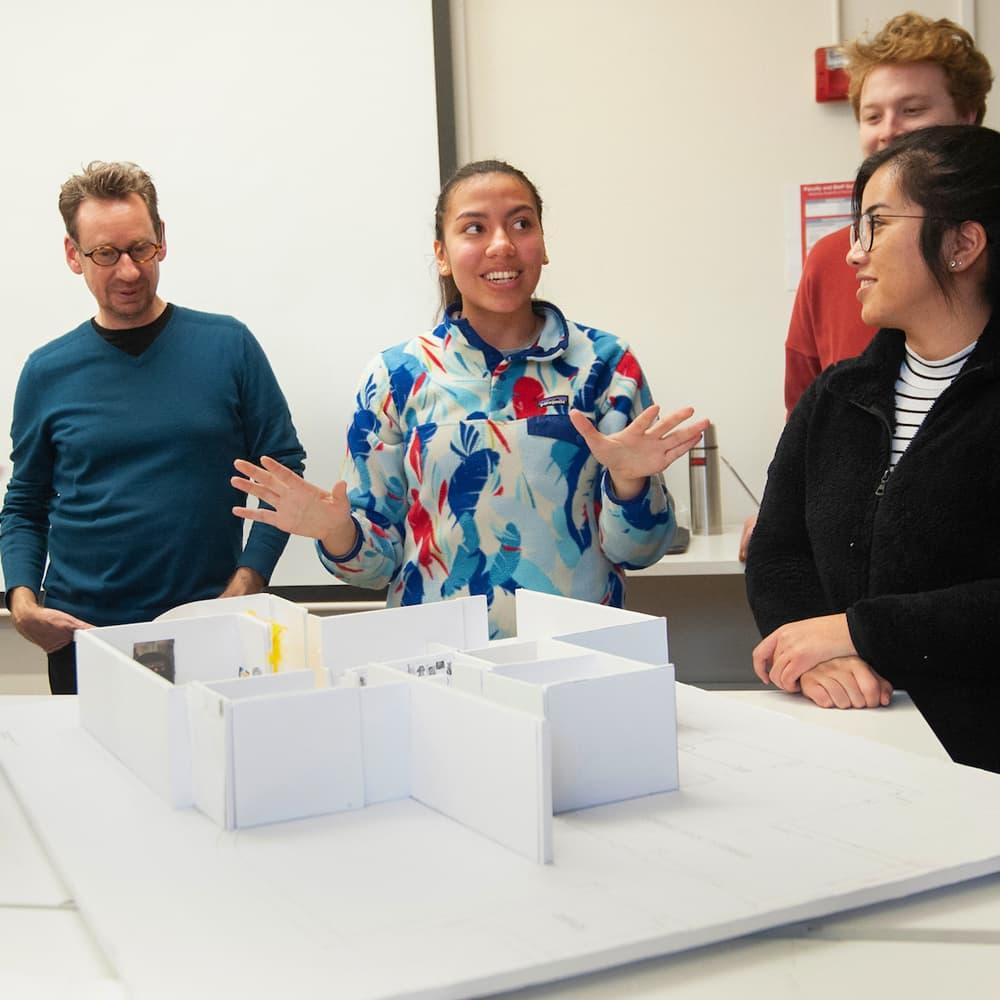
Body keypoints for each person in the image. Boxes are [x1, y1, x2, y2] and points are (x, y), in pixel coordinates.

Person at [232, 160, 707, 638]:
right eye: (475, 228)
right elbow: (374, 569)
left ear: (543, 245)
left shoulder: (604, 365)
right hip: (438, 665)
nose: (502, 244)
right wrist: (335, 529)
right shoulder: (396, 376)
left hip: (581, 657)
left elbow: (639, 551)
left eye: (521, 224)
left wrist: (629, 482)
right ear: (442, 254)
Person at [746, 124, 1000, 773]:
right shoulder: (839, 394)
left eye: (877, 225)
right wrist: (821, 656)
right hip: (854, 744)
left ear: (962, 243)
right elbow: (779, 553)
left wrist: (859, 631)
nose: (853, 253)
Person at [0, 161, 305, 694]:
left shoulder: (228, 345)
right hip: (85, 640)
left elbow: (284, 471)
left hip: (209, 629)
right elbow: (26, 503)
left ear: (161, 241)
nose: (128, 271)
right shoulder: (47, 371)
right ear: (73, 255)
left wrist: (249, 580)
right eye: (105, 254)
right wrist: (22, 602)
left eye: (140, 248)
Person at [740, 12, 992, 560]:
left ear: (968, 119)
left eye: (913, 110)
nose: (889, 131)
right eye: (872, 115)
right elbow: (805, 419)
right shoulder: (833, 260)